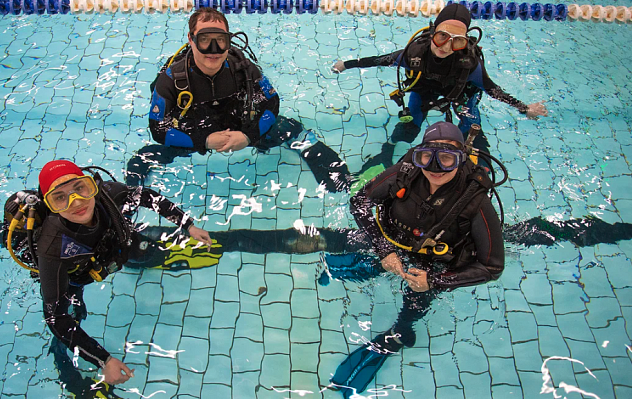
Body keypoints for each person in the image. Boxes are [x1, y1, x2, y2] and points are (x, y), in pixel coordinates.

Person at [324, 122, 505, 397]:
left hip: (435, 261)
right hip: (395, 242)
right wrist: (384, 249)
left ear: (461, 159)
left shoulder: (475, 201)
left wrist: (435, 280)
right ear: (418, 154)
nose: (435, 167)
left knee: (416, 297)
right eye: (427, 156)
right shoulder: (406, 173)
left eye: (447, 158)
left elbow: (492, 266)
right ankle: (370, 266)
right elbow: (359, 201)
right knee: (375, 258)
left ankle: (400, 332)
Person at [28, 160, 212, 387]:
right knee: (71, 317)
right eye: (60, 197)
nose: (76, 202)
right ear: (51, 206)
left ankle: (141, 258)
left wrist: (188, 225)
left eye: (79, 188)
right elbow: (55, 317)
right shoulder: (53, 247)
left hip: (112, 248)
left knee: (138, 248)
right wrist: (104, 360)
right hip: (76, 275)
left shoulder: (108, 195)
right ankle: (71, 373)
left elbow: (149, 197)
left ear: (91, 186)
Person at [127, 7, 350, 193]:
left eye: (220, 40)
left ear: (228, 40)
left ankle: (339, 184)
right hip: (193, 130)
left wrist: (247, 135)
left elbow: (271, 103)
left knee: (289, 129)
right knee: (143, 159)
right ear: (191, 39)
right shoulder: (171, 80)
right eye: (205, 40)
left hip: (239, 124)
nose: (213, 50)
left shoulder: (242, 67)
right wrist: (203, 141)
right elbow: (159, 128)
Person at [333, 3, 547, 170]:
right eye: (442, 37)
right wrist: (346, 65)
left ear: (465, 41)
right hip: (425, 90)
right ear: (433, 32)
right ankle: (387, 150)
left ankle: (478, 166)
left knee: (470, 126)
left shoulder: (469, 64)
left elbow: (491, 88)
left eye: (457, 41)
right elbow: (381, 60)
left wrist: (524, 107)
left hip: (459, 93)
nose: (447, 46)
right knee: (410, 125)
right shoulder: (414, 54)